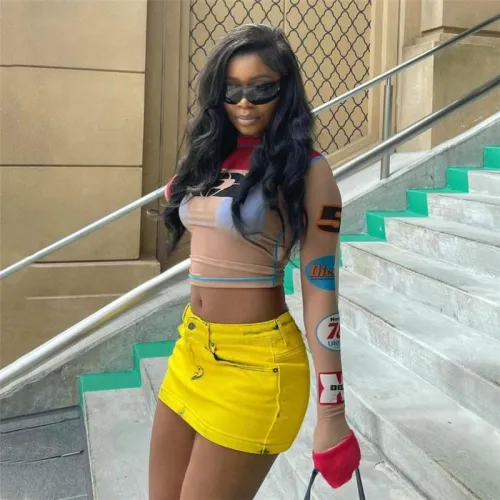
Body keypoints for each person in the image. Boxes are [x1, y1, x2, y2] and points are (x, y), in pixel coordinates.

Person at [148, 23, 361, 500]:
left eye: (261, 89)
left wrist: (332, 412)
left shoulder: (309, 170)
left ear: (285, 91)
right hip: (191, 350)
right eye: (232, 89)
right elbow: (178, 195)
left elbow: (321, 289)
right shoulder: (208, 157)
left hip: (258, 366)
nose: (244, 103)